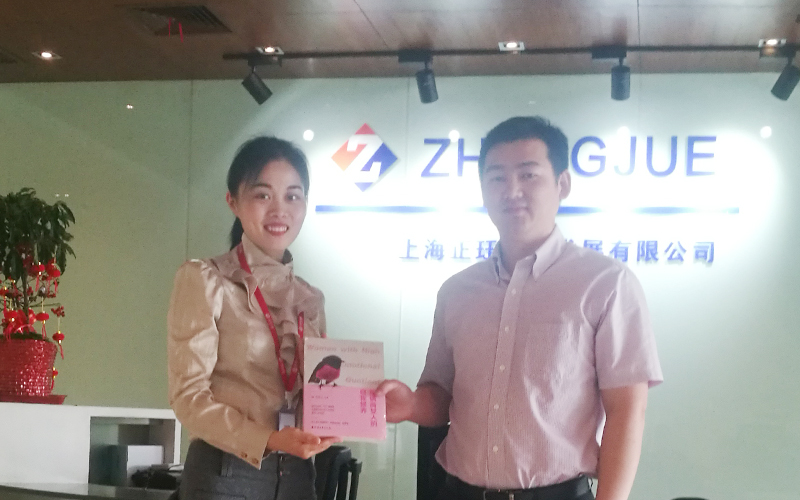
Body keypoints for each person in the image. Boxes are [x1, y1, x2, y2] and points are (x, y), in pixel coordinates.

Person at [378, 116, 663, 500]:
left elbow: (627, 411)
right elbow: (441, 397)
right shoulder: (457, 291)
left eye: (528, 175)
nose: (511, 190)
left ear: (562, 184)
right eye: (497, 177)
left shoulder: (606, 283)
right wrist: (411, 404)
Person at [167, 137, 340, 500]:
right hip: (225, 474)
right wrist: (269, 439)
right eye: (263, 195)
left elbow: (319, 391)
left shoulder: (311, 299)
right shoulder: (205, 279)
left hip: (297, 477)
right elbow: (188, 398)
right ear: (233, 201)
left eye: (293, 196)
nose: (280, 210)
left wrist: (344, 411)